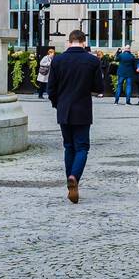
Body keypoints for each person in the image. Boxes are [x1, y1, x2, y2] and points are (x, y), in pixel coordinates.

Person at [47, 29, 104, 203]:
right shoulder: (92, 61)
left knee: (68, 146)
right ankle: (74, 177)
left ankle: (70, 182)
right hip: (82, 109)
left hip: (63, 109)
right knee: (82, 147)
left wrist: (58, 104)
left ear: (69, 41)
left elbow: (51, 89)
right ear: (84, 42)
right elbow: (99, 88)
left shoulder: (57, 60)